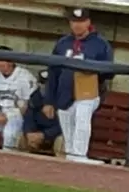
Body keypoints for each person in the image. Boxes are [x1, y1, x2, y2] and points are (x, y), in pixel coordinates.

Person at [45, 7, 113, 164]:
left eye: (81, 22)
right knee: (68, 133)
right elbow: (53, 72)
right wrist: (49, 100)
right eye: (74, 22)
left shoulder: (100, 44)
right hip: (64, 93)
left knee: (82, 120)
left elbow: (110, 72)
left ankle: (80, 156)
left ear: (88, 22)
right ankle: (73, 159)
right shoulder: (63, 43)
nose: (77, 25)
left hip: (88, 92)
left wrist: (90, 69)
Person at [19, 69, 64, 156]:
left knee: (61, 142)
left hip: (56, 134)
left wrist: (44, 135)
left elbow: (63, 125)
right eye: (42, 84)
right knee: (21, 139)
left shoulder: (62, 99)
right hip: (37, 134)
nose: (45, 87)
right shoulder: (35, 98)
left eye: (47, 85)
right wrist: (29, 133)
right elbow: (28, 119)